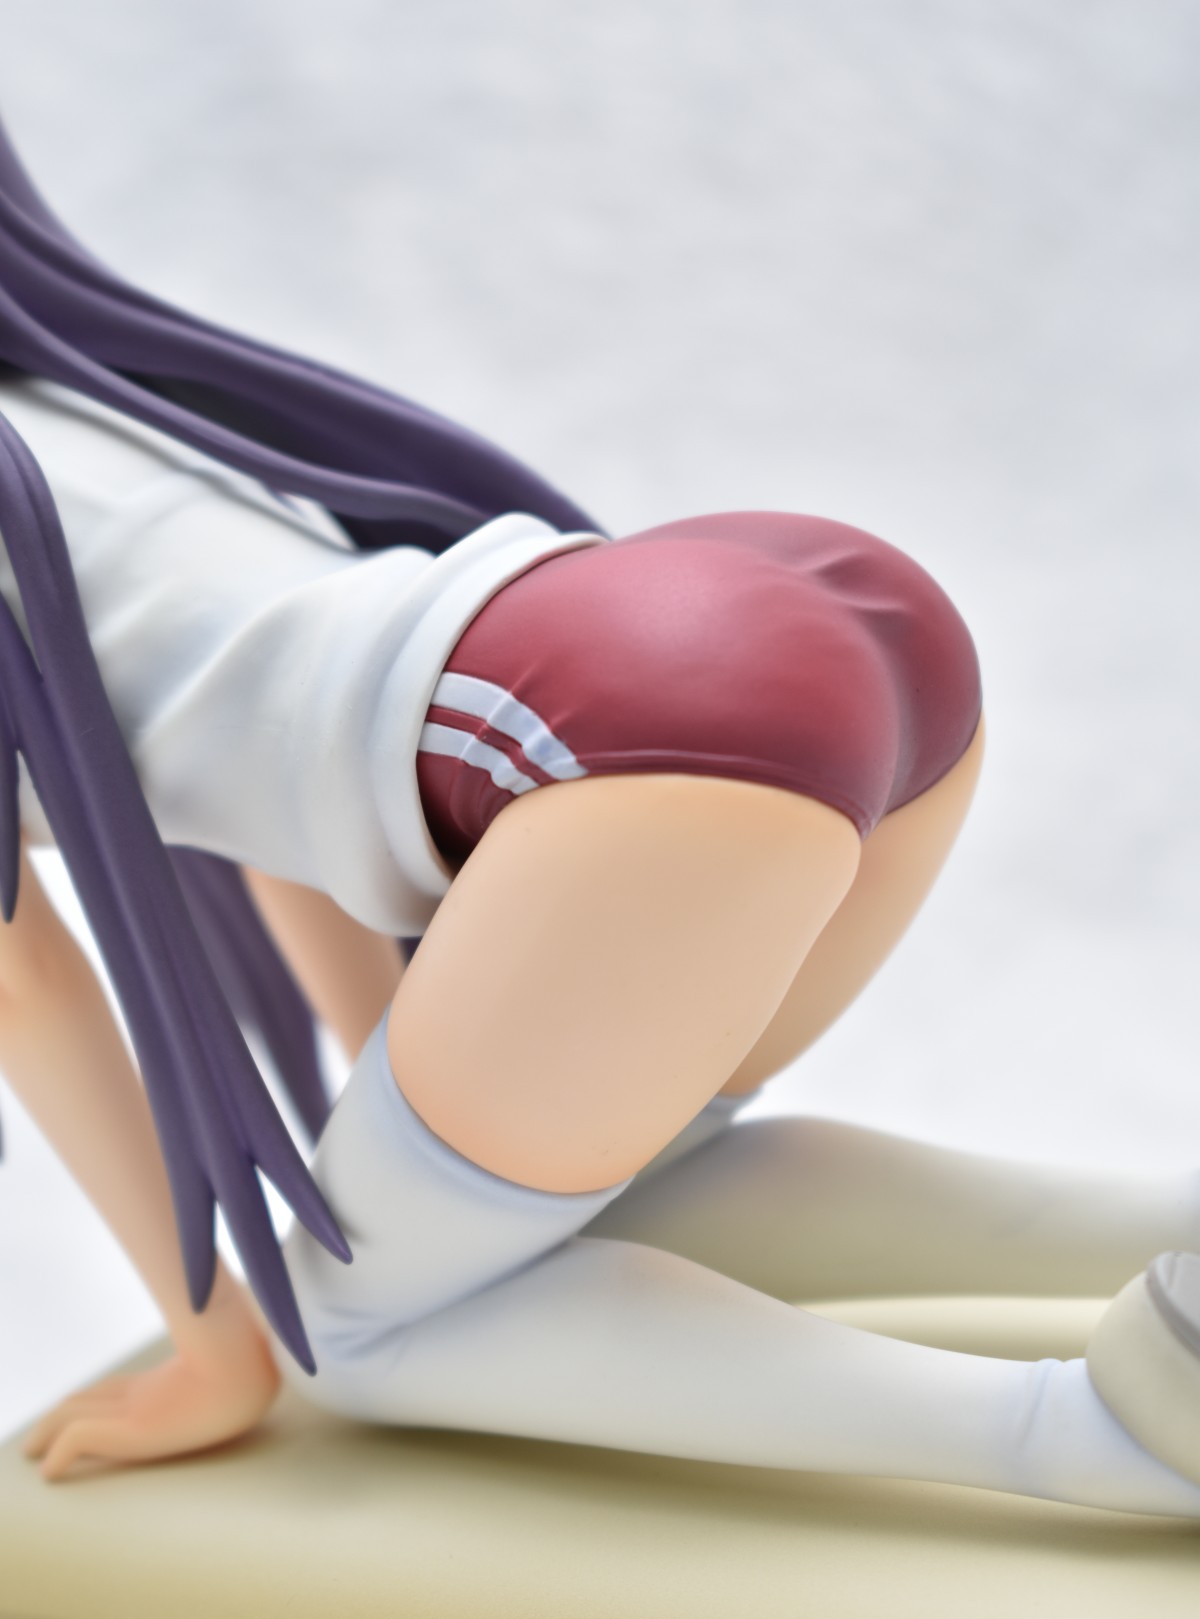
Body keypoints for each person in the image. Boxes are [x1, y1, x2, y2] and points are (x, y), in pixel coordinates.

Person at [1, 116, 1198, 1520]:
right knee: (626, 1182)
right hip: (807, 613)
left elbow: (25, 987)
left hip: (633, 740)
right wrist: (412, 1140)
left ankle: (1112, 1436)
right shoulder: (82, 395)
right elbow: (289, 792)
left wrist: (219, 1348)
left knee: (347, 1331)